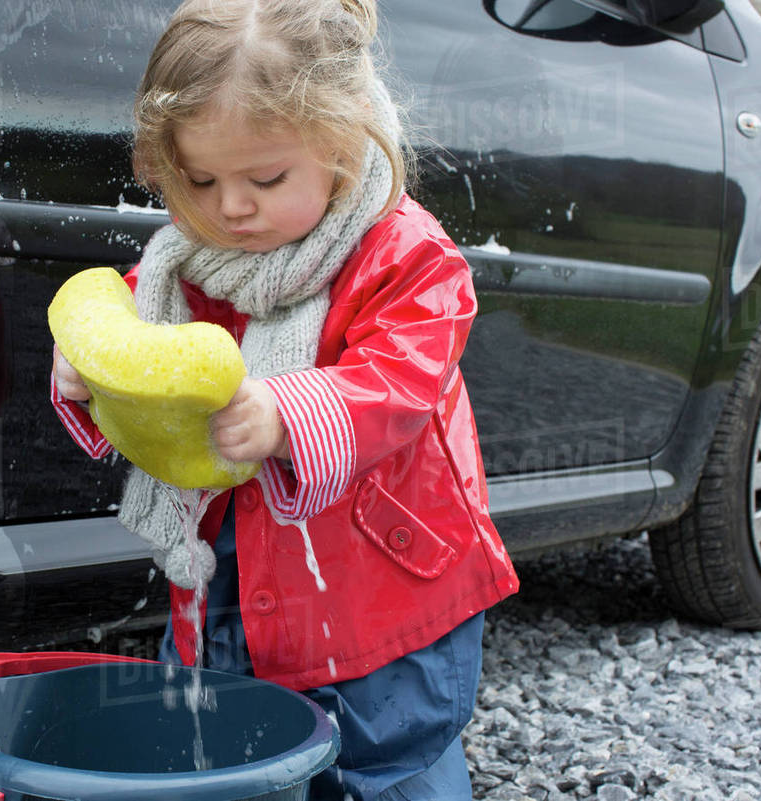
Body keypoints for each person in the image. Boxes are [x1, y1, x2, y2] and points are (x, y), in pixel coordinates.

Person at [51, 1, 519, 798]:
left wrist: (287, 412)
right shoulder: (190, 261)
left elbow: (400, 382)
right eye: (198, 179)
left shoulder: (407, 257)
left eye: (265, 178)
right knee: (231, 750)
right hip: (231, 576)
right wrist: (91, 371)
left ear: (341, 145)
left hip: (380, 593)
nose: (230, 206)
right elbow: (138, 343)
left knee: (388, 768)